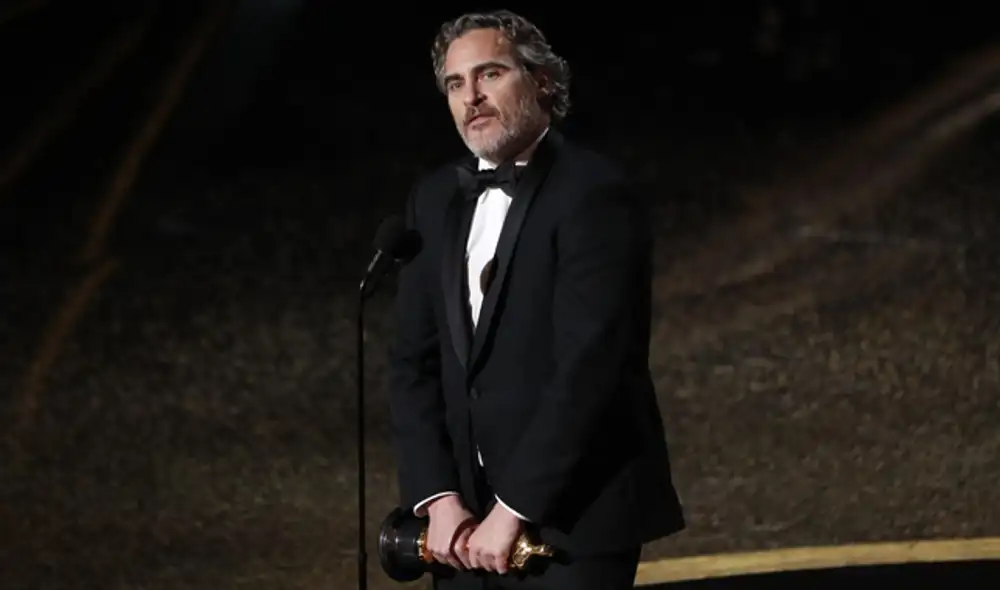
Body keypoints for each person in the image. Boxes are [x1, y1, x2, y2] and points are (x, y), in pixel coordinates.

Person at [388, 9, 685, 589]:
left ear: (543, 81)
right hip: (461, 532)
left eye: (490, 74)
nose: (471, 96)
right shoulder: (433, 200)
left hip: (573, 523)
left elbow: (591, 368)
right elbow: (412, 363)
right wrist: (439, 497)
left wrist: (514, 509)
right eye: (455, 83)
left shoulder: (593, 195)